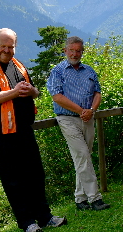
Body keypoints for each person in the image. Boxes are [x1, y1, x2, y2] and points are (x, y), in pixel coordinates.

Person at [0, 28, 66, 232]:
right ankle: (26, 222)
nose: (7, 50)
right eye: (3, 46)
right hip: (2, 133)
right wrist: (12, 93)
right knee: (13, 179)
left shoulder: (19, 66)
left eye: (10, 46)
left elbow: (35, 91)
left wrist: (32, 91)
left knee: (35, 174)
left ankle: (45, 216)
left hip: (24, 129)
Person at [46, 36, 109, 211]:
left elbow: (98, 93)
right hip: (67, 119)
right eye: (71, 50)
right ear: (65, 50)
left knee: (83, 158)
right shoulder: (57, 71)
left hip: (88, 118)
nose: (75, 54)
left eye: (78, 51)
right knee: (83, 156)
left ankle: (80, 199)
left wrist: (91, 110)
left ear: (82, 52)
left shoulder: (89, 71)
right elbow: (57, 97)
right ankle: (95, 198)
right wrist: (81, 110)